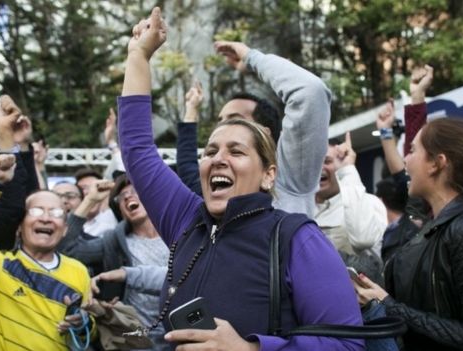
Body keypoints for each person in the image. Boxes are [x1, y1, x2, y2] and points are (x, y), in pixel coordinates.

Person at [118, 8, 364, 350]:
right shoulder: (185, 220)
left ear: (268, 174)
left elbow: (348, 346)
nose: (218, 158)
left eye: (236, 151)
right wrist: (138, 55)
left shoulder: (298, 239)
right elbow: (138, 149)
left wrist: (251, 348)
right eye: (211, 151)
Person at [354, 118, 463, 350]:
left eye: (412, 150)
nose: (405, 159)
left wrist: (388, 305)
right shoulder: (434, 222)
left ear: (437, 163)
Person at [0, 153, 94, 350]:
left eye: (56, 213)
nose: (46, 218)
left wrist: (84, 324)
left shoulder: (79, 270)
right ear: (19, 227)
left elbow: (88, 331)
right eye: (36, 211)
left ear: (65, 229)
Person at [176, 37, 331, 218]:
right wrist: (191, 110)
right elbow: (188, 170)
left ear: (264, 133)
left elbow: (309, 92)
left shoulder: (289, 178)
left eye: (235, 120)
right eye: (221, 121)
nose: (223, 128)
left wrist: (251, 59)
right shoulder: (212, 196)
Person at [58, 173, 169, 348]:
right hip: (136, 340)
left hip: (183, 335)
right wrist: (89, 201)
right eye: (121, 197)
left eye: (135, 191)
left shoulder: (180, 234)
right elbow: (67, 250)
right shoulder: (113, 242)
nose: (128, 197)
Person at [314, 133, 387, 279]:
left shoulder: (369, 202)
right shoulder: (301, 208)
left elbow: (363, 239)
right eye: (315, 162)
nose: (320, 168)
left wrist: (347, 170)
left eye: (327, 161)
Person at [74, 167, 118, 237]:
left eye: (96, 187)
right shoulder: (67, 224)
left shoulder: (114, 221)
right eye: (83, 188)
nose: (90, 192)